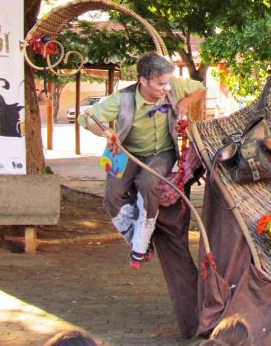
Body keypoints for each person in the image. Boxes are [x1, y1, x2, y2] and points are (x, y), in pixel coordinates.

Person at [78, 51, 207, 338]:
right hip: (128, 153)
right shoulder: (122, 99)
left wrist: (183, 103)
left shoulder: (174, 87)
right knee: (111, 195)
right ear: (142, 80)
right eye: (160, 84)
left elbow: (200, 88)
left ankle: (143, 238)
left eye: (168, 83)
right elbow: (88, 119)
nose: (166, 88)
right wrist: (107, 134)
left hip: (161, 153)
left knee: (151, 184)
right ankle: (137, 241)